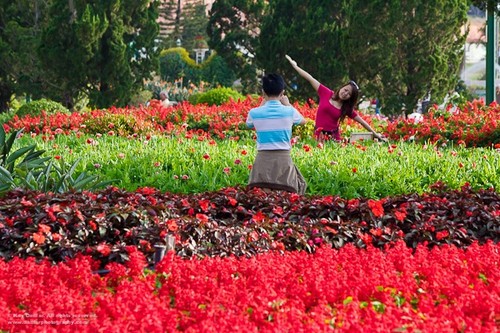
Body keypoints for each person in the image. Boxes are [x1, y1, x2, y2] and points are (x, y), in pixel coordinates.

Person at [285, 55, 386, 142]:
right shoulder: (326, 93)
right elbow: (310, 78)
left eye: (349, 94)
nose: (345, 93)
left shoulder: (346, 108)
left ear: (350, 98)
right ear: (342, 87)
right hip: (318, 136)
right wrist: (295, 66)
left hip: (333, 139)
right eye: (345, 90)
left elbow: (362, 122)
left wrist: (375, 134)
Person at [246, 73, 307, 194]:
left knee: (261, 198)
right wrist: (288, 104)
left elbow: (248, 125)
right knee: (287, 198)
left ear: (263, 92)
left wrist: (261, 105)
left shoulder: (254, 113)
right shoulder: (289, 111)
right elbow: (303, 121)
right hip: (284, 161)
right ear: (282, 92)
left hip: (262, 161)